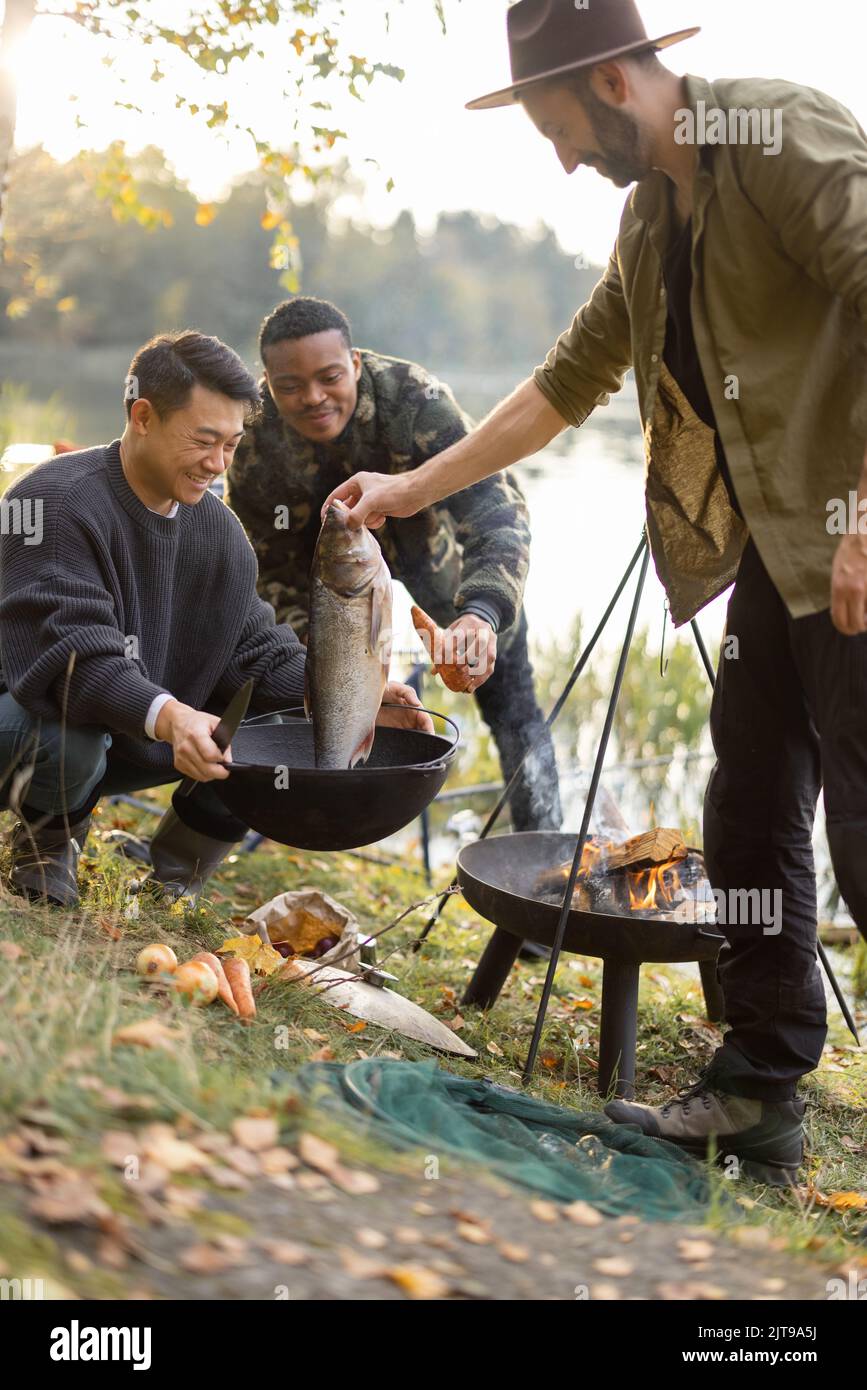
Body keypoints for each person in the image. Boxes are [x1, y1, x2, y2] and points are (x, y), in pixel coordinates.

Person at [321, 0, 867, 1185]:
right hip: (781, 564)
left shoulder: (773, 136)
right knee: (752, 816)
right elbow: (566, 383)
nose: (562, 158)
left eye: (560, 129)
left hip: (856, 546)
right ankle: (758, 1091)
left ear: (614, 83)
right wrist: (409, 489)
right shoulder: (651, 214)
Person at [0, 330, 429, 908]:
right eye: (203, 441)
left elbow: (254, 650)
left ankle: (174, 876)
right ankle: (45, 849)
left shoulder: (217, 530)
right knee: (69, 734)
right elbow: (75, 660)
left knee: (270, 731)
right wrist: (172, 717)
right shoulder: (52, 502)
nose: (217, 464)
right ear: (143, 416)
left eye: (230, 444)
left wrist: (354, 696)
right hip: (29, 728)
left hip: (126, 738)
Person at [226, 295, 561, 834]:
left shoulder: (416, 400)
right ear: (267, 380)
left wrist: (481, 613)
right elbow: (264, 572)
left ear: (355, 363)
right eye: (289, 386)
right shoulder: (253, 439)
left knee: (512, 706)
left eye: (330, 377)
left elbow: (497, 510)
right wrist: (334, 666)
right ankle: (305, 812)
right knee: (307, 693)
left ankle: (542, 853)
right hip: (331, 586)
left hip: (442, 563)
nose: (313, 397)